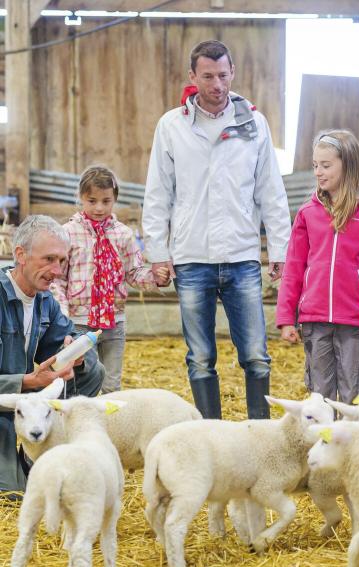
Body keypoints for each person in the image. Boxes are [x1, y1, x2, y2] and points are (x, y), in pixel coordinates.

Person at [142, 39, 291, 420]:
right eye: (208, 76)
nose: (217, 84)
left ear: (233, 73)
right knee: (201, 358)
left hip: (241, 256)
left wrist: (280, 251)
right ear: (192, 77)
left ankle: (260, 433)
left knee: (256, 354)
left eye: (223, 75)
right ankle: (210, 434)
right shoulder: (171, 125)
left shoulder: (253, 123)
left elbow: (270, 191)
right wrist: (158, 254)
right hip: (192, 258)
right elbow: (158, 193)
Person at [276, 129, 359, 403]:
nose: (318, 171)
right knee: (319, 394)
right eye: (316, 165)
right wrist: (286, 317)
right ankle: (325, 442)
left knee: (354, 393)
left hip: (354, 322)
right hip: (314, 321)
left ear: (348, 164)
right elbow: (294, 268)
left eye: (326, 165)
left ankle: (352, 444)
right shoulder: (308, 213)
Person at [0, 216, 104, 496]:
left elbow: (64, 342)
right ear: (20, 254)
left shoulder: (45, 300)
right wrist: (29, 381)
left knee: (92, 368)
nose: (57, 270)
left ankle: (57, 443)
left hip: (23, 405)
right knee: (12, 495)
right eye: (49, 259)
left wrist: (71, 356)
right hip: (6, 399)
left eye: (61, 260)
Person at [51, 165, 158, 393]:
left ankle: (110, 427)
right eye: (92, 201)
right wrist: (62, 316)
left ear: (114, 199)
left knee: (111, 384)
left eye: (106, 201)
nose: (99, 208)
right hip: (79, 322)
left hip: (114, 321)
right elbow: (58, 279)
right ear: (81, 198)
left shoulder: (124, 234)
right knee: (82, 382)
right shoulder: (67, 233)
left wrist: (155, 277)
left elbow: (133, 273)